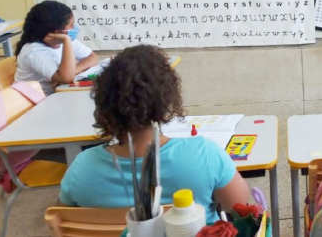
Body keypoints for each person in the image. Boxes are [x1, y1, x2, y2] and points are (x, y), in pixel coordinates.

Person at [59, 45, 250, 222]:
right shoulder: (205, 154)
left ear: (103, 102)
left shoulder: (81, 168)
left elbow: (61, 218)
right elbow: (242, 210)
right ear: (167, 98)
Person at [14, 0, 98, 96]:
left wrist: (74, 70)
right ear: (56, 30)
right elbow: (66, 78)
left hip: (56, 94)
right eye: (71, 25)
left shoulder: (62, 39)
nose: (74, 27)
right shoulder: (34, 51)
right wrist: (66, 40)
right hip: (37, 101)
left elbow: (93, 57)